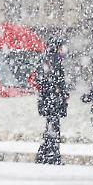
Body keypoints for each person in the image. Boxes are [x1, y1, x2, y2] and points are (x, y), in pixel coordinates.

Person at [34, 37, 68, 165]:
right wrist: (61, 92)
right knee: (54, 128)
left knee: (51, 127)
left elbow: (40, 80)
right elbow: (57, 81)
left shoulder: (46, 60)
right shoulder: (54, 62)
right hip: (53, 101)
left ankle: (45, 154)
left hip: (48, 101)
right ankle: (52, 155)